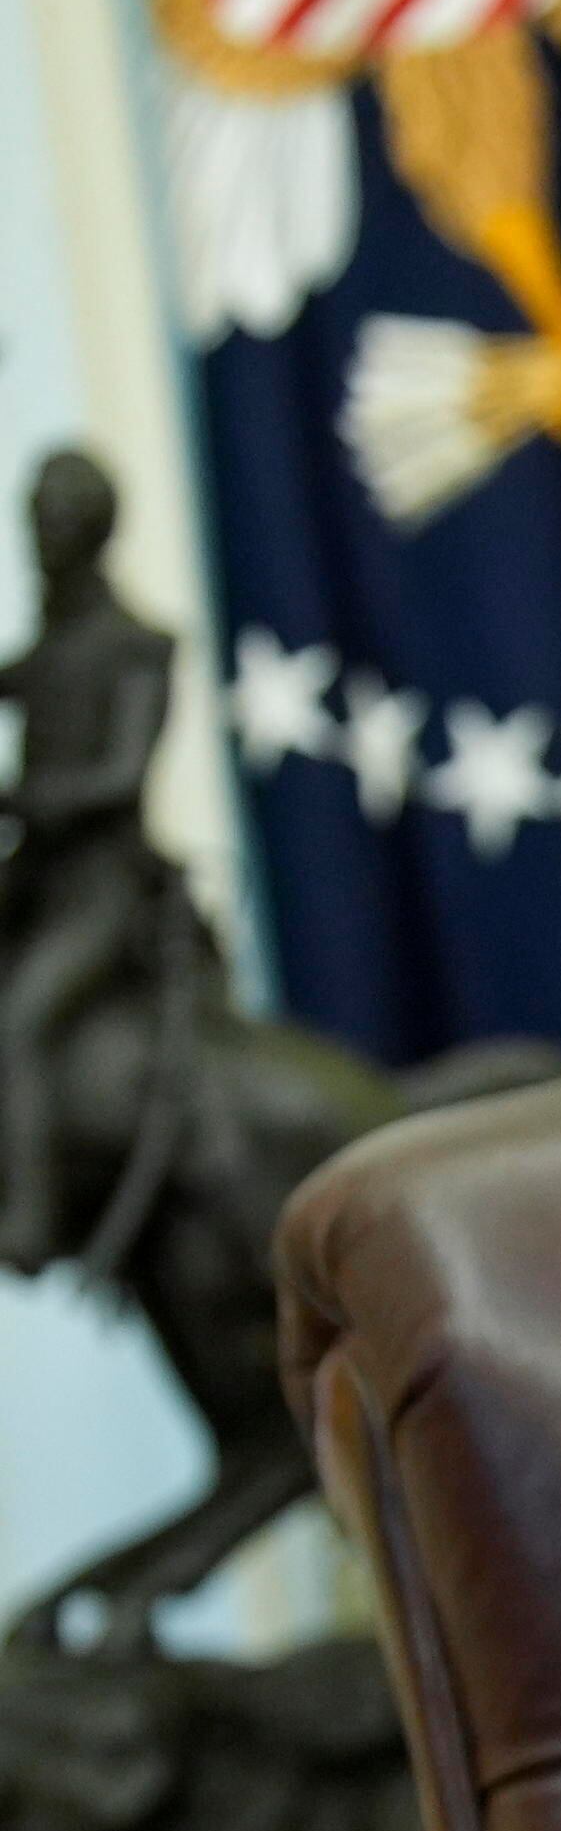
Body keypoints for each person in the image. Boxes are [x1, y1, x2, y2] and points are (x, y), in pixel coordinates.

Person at [0, 450, 180, 1273]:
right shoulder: (47, 649)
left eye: (52, 519)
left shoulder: (136, 646)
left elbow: (119, 778)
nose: (38, 534)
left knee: (23, 1020)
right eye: (33, 516)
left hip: (101, 888)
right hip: (32, 875)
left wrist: (26, 799)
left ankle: (30, 1214)